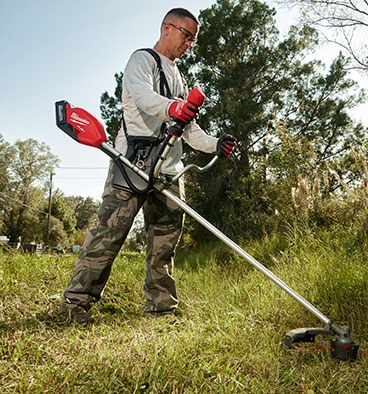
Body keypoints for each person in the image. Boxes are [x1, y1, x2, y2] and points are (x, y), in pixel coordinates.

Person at [60, 8, 237, 324]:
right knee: (108, 236)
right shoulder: (141, 61)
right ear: (168, 27)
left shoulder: (181, 79)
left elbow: (190, 129)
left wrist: (215, 144)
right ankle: (76, 304)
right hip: (133, 164)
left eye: (194, 40)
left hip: (169, 171)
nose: (190, 44)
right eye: (187, 35)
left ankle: (161, 309)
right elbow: (144, 99)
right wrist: (175, 107)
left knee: (164, 245)